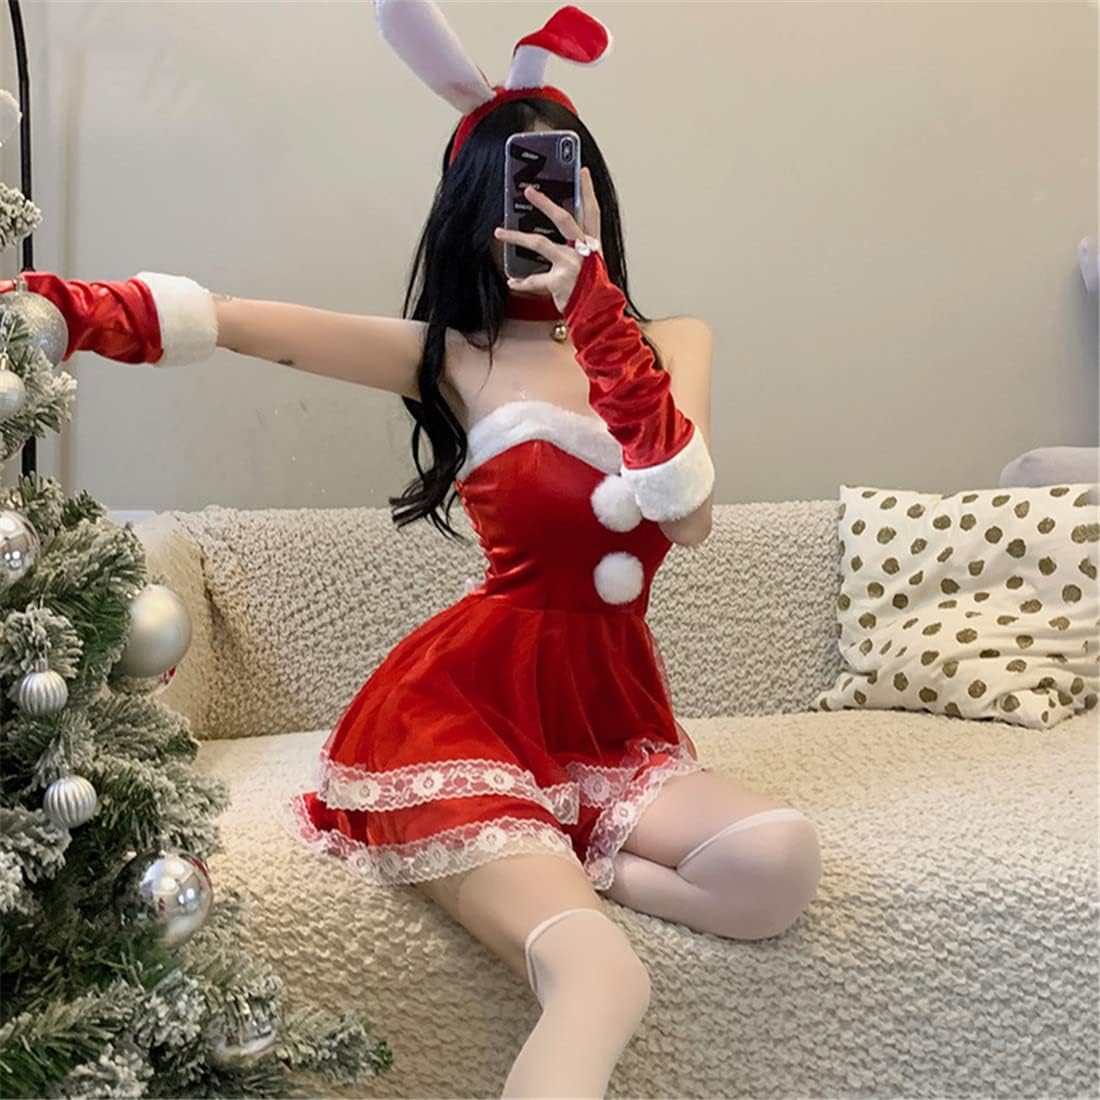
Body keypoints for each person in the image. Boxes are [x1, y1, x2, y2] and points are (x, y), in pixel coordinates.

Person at [0, 4, 822, 1095]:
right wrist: (56, 306)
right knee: (600, 979)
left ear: (593, 197)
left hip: (603, 713)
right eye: (507, 194)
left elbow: (687, 513)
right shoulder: (452, 357)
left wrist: (594, 315)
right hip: (461, 711)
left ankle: (580, 850)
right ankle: (558, 863)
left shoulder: (670, 340)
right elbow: (241, 321)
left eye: (556, 183)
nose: (531, 212)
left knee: (775, 865)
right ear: (468, 217)